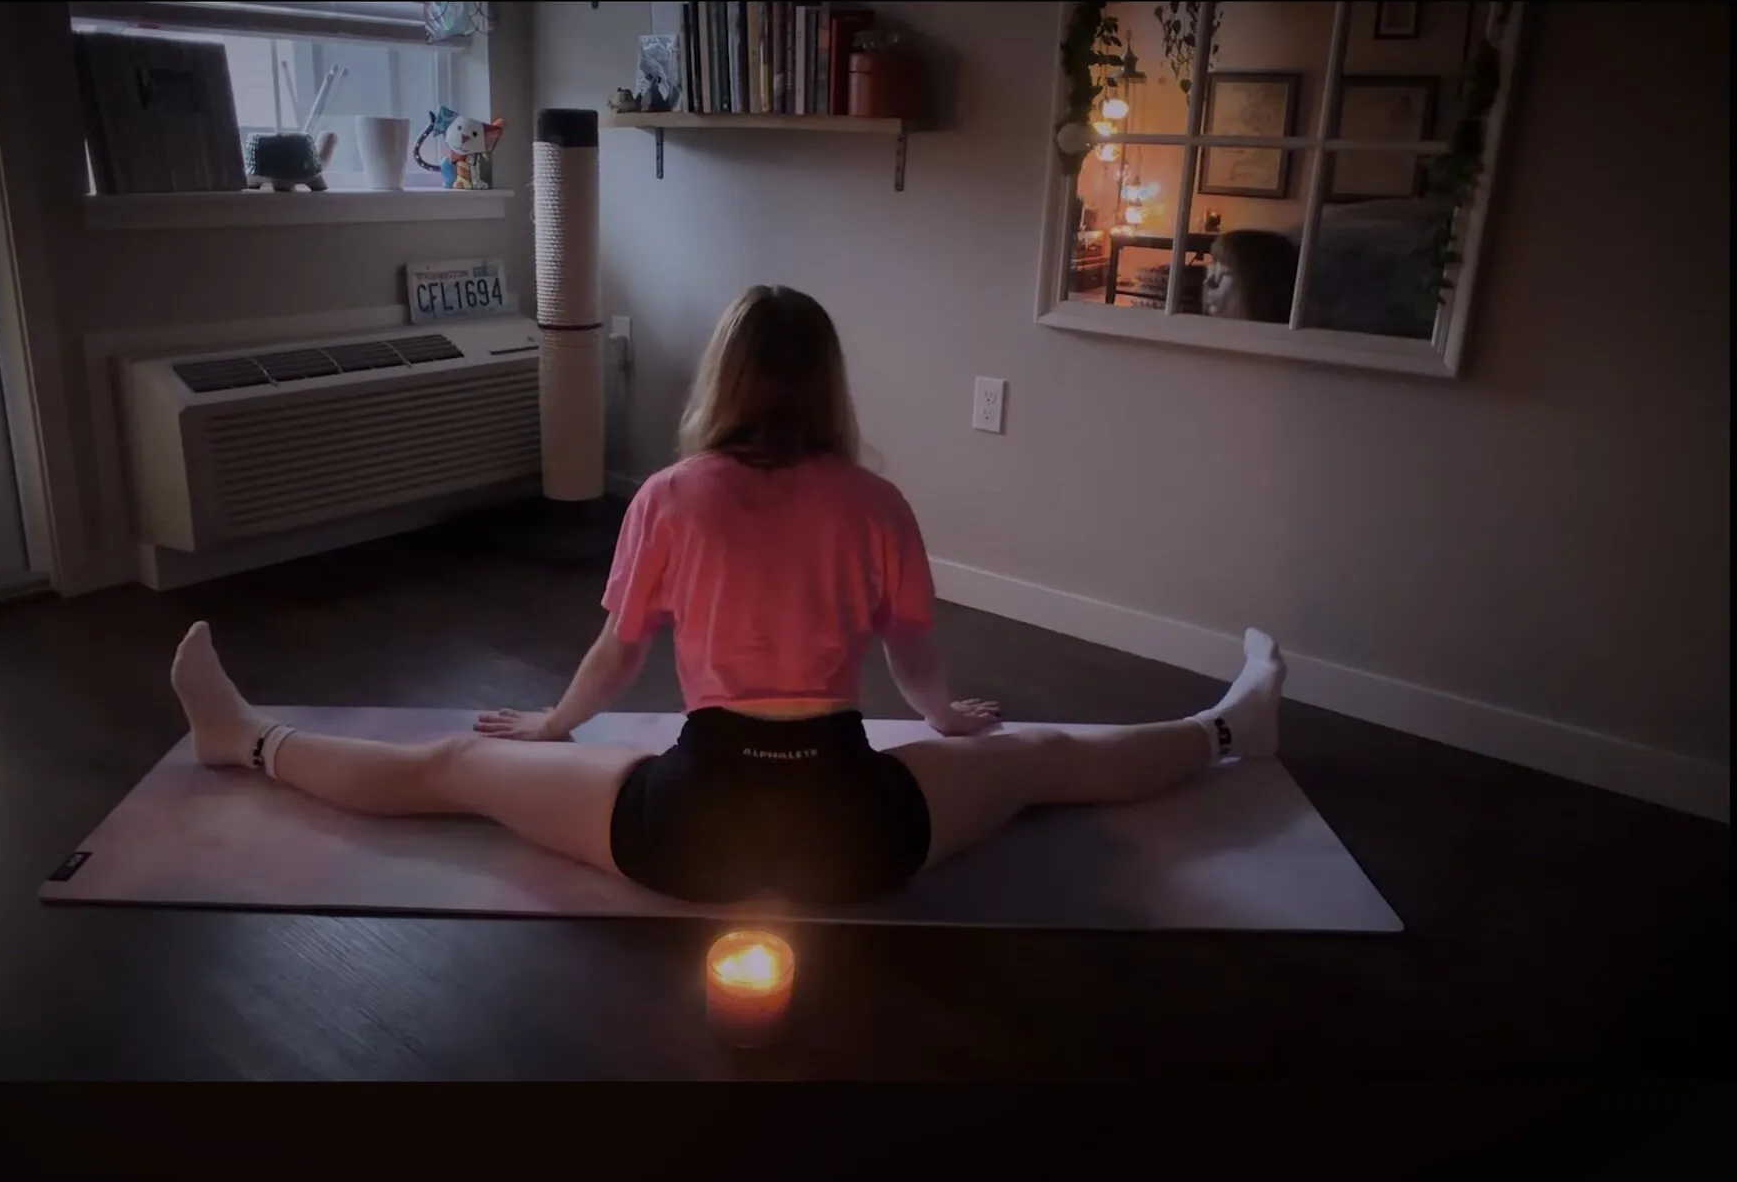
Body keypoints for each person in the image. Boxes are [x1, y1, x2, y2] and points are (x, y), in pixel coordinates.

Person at [169, 285, 1287, 904]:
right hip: (857, 834)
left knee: (454, 770)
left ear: (723, 378)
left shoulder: (668, 495)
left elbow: (619, 653)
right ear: (830, 383)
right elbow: (911, 655)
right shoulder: (876, 502)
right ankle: (1236, 725)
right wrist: (946, 722)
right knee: (1044, 758)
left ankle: (246, 740)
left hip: (689, 828)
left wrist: (557, 726)